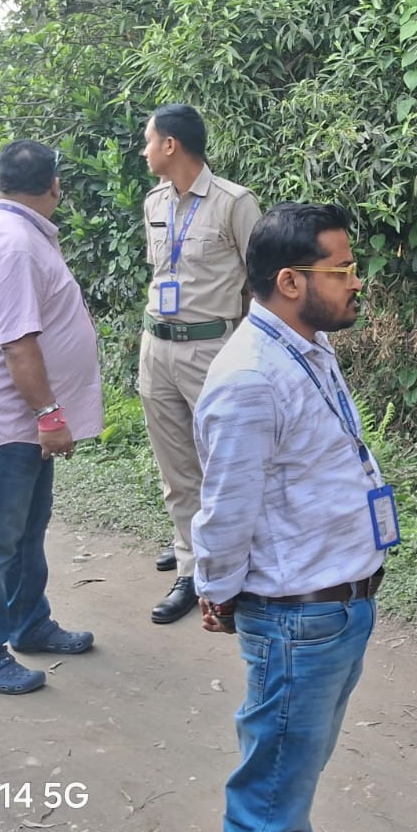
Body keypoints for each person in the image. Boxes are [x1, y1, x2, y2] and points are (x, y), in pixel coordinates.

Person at [192, 202, 390, 832]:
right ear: (290, 281)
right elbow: (225, 507)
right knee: (268, 804)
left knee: (289, 787)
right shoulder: (249, 377)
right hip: (297, 621)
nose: (356, 281)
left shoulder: (307, 345)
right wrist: (218, 592)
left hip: (337, 608)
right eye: (342, 269)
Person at [0, 141, 104, 695]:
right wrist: (50, 414)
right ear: (54, 185)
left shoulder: (17, 232)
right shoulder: (12, 243)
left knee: (27, 529)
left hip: (19, 417)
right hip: (3, 417)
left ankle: (29, 623)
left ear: (1, 182)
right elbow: (17, 343)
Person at [139, 104, 261, 624]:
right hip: (156, 348)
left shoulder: (235, 203)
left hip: (212, 350)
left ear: (171, 145)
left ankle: (234, 564)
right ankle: (191, 567)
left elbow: (261, 283)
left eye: (148, 140)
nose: (143, 150)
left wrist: (251, 353)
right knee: (177, 470)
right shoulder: (154, 202)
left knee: (223, 464)